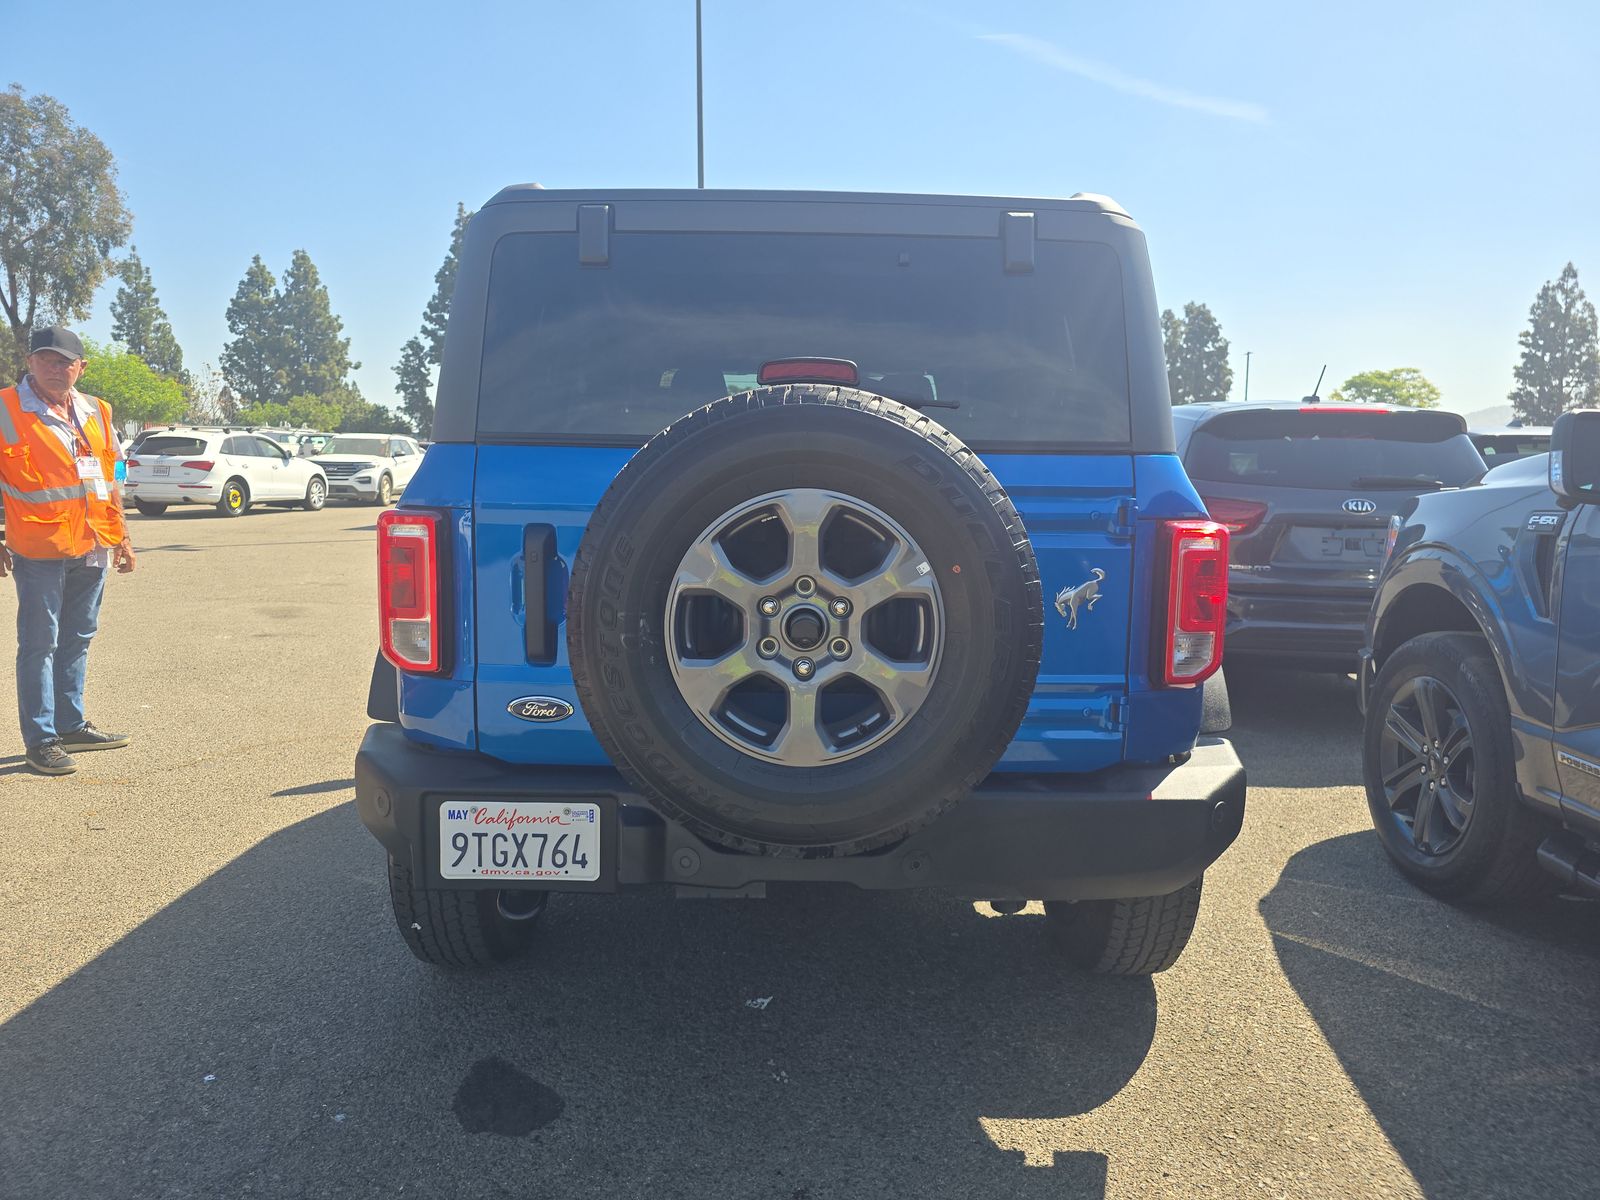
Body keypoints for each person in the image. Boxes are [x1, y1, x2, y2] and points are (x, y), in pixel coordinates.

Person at [0, 327, 136, 775]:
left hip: (95, 542)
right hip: (39, 546)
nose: (56, 368)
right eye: (46, 359)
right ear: (29, 360)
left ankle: (71, 724)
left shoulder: (97, 408)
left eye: (65, 361)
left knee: (78, 638)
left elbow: (114, 466)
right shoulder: (5, 408)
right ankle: (41, 740)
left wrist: (123, 534)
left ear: (82, 366)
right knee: (40, 643)